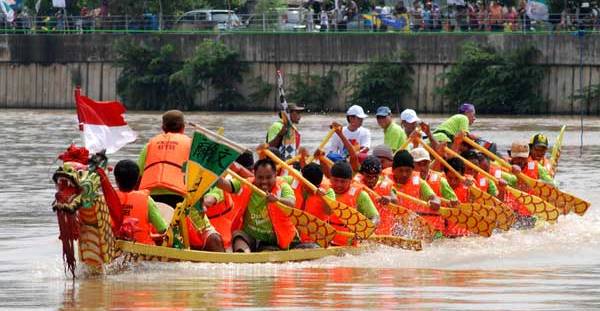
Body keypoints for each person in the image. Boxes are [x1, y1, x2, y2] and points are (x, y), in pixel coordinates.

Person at [212, 158, 297, 252]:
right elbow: (227, 185)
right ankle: (243, 255)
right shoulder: (247, 183)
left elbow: (291, 202)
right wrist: (210, 172)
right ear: (254, 175)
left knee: (266, 251)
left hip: (273, 240)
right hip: (249, 236)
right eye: (260, 178)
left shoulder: (283, 186)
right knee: (238, 237)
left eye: (268, 177)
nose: (264, 182)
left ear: (275, 175)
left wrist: (277, 200)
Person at [138, 110, 191, 208]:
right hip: (179, 196)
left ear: (163, 127)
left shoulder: (149, 145)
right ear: (183, 127)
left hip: (150, 196)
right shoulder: (190, 145)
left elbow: (138, 174)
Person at [114, 159, 167, 245]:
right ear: (138, 179)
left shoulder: (107, 199)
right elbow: (162, 229)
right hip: (142, 250)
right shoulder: (146, 200)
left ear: (116, 179)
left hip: (112, 247)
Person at [390, 150, 443, 234]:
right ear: (393, 170)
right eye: (401, 170)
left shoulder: (419, 182)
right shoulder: (384, 181)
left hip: (412, 227)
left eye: (408, 171)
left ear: (413, 170)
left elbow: (435, 198)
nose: (404, 174)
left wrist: (436, 202)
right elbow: (392, 198)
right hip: (391, 226)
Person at [329, 161, 380, 245]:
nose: (338, 185)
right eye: (335, 180)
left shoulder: (361, 195)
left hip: (350, 242)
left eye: (343, 181)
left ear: (351, 181)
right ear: (330, 178)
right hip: (328, 240)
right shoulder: (325, 191)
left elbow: (375, 217)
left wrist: (364, 230)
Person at [353, 156, 396, 235]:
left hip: (383, 231)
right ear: (362, 174)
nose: (371, 180)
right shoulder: (356, 184)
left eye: (375, 177)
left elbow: (395, 199)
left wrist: (389, 198)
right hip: (363, 230)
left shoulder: (385, 183)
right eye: (368, 176)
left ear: (379, 174)